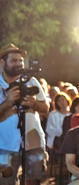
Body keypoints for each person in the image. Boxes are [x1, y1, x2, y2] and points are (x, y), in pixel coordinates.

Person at [0, 44, 50, 185]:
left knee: (33, 181)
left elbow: (45, 108)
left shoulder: (31, 81)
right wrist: (8, 102)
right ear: (2, 62)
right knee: (6, 182)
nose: (18, 64)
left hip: (33, 142)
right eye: (13, 61)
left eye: (21, 61)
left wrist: (33, 103)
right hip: (5, 145)